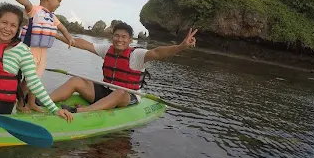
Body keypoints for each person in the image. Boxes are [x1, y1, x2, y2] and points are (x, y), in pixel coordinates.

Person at [46, 21, 199, 113]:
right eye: (116, 36)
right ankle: (45, 101)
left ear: (129, 39)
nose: (119, 39)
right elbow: (83, 44)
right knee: (76, 80)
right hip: (106, 92)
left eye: (123, 37)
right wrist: (56, 35)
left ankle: (83, 111)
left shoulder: (137, 55)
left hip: (127, 96)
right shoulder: (107, 50)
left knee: (120, 91)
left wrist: (181, 46)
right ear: (112, 37)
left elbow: (158, 52)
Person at [7, 0, 76, 112]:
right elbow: (25, 2)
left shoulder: (52, 17)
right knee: (28, 79)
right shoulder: (34, 10)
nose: (59, 4)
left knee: (37, 78)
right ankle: (21, 103)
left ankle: (32, 102)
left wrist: (69, 38)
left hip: (42, 52)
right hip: (30, 51)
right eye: (58, 0)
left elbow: (62, 28)